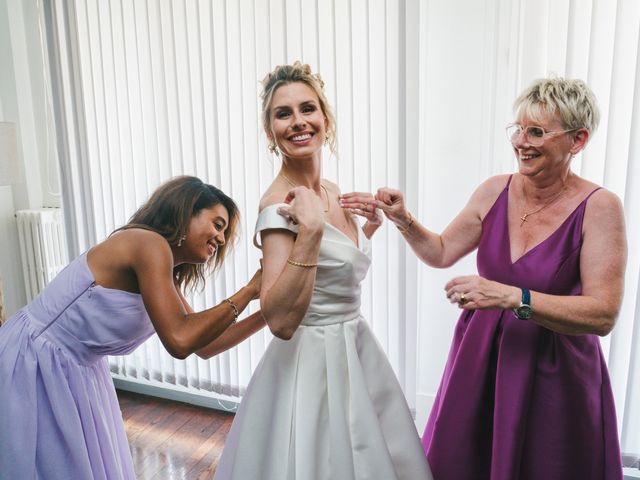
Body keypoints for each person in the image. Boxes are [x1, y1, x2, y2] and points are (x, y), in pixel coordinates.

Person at [358, 77, 626, 479]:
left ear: (577, 140)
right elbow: (441, 251)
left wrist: (510, 296)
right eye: (518, 129)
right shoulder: (493, 190)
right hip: (481, 357)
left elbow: (603, 315)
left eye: (537, 131)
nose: (521, 141)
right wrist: (403, 219)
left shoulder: (600, 207)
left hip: (554, 371)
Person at [214, 62, 432, 480]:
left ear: (325, 120)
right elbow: (278, 319)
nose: (298, 121)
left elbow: (337, 271)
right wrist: (311, 231)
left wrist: (365, 230)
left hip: (356, 349)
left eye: (307, 109)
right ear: (270, 131)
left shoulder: (330, 191)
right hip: (311, 360)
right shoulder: (279, 205)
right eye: (283, 113)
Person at [0, 176, 264, 479]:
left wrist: (266, 314)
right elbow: (179, 341)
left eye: (225, 232)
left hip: (77, 370)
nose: (221, 239)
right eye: (218, 224)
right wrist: (248, 290)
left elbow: (204, 345)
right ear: (187, 210)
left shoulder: (165, 270)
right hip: (35, 360)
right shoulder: (147, 243)